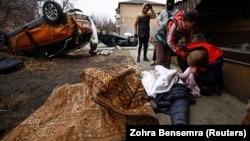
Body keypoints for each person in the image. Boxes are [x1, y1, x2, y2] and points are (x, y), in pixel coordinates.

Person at [151, 0, 179, 66]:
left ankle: (166, 73)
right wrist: (163, 25)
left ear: (173, 3)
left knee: (167, 59)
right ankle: (158, 71)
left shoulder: (177, 12)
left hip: (170, 36)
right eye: (168, 2)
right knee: (160, 58)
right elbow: (158, 21)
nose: (169, 4)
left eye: (171, 2)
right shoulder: (163, 11)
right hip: (161, 36)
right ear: (166, 3)